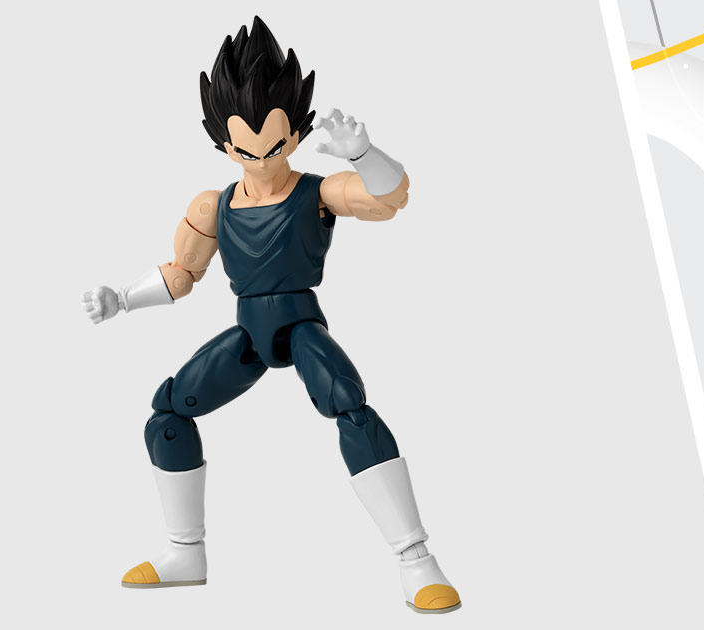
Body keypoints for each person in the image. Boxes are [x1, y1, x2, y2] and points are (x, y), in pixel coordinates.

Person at [81, 16, 460, 614]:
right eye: (244, 149)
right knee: (168, 415)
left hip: (300, 324)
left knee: (350, 407)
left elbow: (391, 198)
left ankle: (417, 562)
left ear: (296, 134)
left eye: (274, 145)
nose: (260, 159)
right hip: (249, 333)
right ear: (222, 143)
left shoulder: (319, 192)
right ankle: (185, 553)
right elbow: (182, 273)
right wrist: (123, 298)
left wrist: (364, 154)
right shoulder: (212, 205)